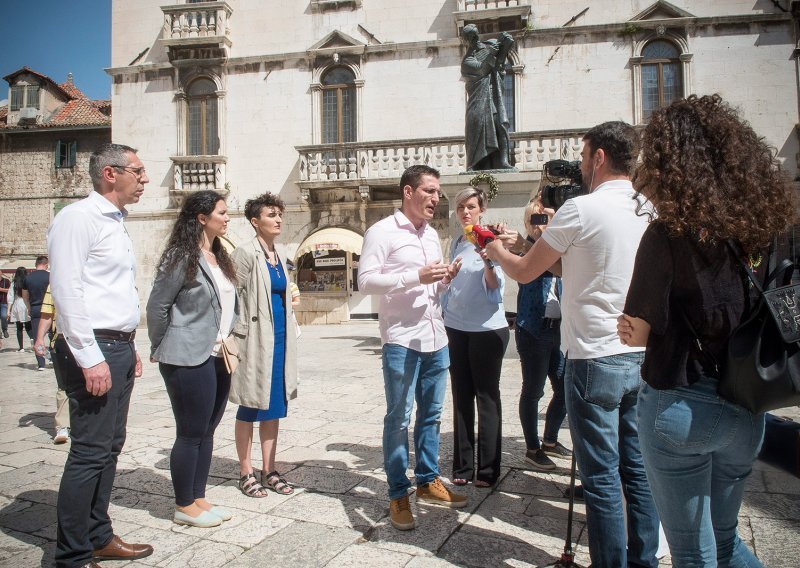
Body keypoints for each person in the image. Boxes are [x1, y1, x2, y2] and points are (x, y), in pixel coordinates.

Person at [618, 94, 793, 567]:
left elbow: (635, 334)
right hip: (748, 405)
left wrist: (628, 322)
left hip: (682, 405)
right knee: (727, 540)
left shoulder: (667, 234)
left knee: (694, 552)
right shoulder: (766, 225)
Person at [485, 122, 660, 567]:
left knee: (601, 479)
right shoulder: (648, 209)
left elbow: (526, 272)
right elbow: (571, 266)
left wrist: (496, 252)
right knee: (637, 472)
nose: (581, 167)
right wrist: (523, 244)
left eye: (583, 158)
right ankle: (644, 561)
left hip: (595, 357)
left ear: (599, 157)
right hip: (641, 356)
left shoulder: (582, 208)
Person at [47, 143, 153, 568]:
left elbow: (110, 291)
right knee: (89, 451)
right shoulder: (77, 219)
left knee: (110, 446)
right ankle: (72, 555)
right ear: (111, 173)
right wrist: (91, 356)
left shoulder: (115, 222)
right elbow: (68, 291)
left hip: (117, 345)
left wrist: (129, 345)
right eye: (139, 171)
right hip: (92, 347)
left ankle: (98, 535)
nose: (145, 179)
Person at [358, 164, 466, 532]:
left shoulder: (432, 236)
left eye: (438, 192)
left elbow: (431, 289)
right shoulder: (381, 231)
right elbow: (366, 281)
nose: (437, 198)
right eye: (430, 191)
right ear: (408, 191)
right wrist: (414, 277)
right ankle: (398, 493)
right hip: (402, 340)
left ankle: (428, 480)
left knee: (432, 415)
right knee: (399, 418)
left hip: (436, 338)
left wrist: (443, 280)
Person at [147, 190, 237, 528]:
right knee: (190, 431)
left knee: (208, 430)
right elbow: (157, 307)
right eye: (222, 212)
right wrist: (162, 346)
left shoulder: (218, 255)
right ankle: (184, 504)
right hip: (186, 355)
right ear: (202, 218)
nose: (228, 217)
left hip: (219, 353)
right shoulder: (180, 256)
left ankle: (199, 498)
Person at [229, 193, 298, 499]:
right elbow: (231, 297)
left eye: (279, 214)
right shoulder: (244, 253)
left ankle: (269, 470)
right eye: (271, 215)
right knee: (250, 405)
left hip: (280, 338)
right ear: (255, 222)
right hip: (254, 341)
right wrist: (234, 337)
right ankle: (245, 471)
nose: (278, 219)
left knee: (273, 408)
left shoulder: (279, 255)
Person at [441, 187, 508, 487]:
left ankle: (489, 470)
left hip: (487, 330)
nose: (465, 212)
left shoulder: (490, 238)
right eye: (460, 207)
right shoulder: (457, 241)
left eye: (470, 206)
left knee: (487, 398)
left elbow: (494, 287)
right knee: (461, 398)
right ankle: (463, 467)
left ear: (482, 208)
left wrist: (487, 260)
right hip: (456, 326)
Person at [514, 198, 570, 471]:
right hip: (533, 329)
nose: (539, 225)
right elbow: (527, 271)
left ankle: (549, 439)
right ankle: (532, 448)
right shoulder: (524, 250)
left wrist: (555, 230)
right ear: (527, 223)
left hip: (556, 329)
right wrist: (539, 240)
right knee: (533, 391)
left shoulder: (558, 246)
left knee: (565, 389)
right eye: (534, 220)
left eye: (543, 219)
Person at [461, 24, 514, 171]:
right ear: (466, 41)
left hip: (493, 93)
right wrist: (492, 54)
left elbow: (499, 66)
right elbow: (481, 70)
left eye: (476, 34)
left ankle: (503, 161)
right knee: (476, 129)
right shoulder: (467, 62)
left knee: (500, 125)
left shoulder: (488, 46)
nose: (475, 38)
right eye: (471, 36)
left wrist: (506, 45)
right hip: (477, 100)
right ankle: (475, 164)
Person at [33, 286, 70, 444]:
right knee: (63, 385)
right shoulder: (55, 282)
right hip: (62, 341)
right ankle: (63, 425)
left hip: (96, 341)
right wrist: (40, 338)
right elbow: (47, 314)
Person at [23, 255, 50, 370]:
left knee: (37, 336)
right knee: (53, 334)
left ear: (36, 265)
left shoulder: (28, 278)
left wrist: (28, 307)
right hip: (49, 308)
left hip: (35, 307)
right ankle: (53, 358)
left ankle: (41, 363)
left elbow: (25, 296)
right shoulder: (50, 276)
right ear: (46, 265)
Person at [7, 266, 32, 352]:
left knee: (19, 327)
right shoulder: (28, 282)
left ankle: (21, 347)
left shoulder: (14, 283)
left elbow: (10, 296)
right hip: (26, 303)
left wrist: (8, 310)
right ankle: (33, 340)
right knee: (29, 326)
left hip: (17, 304)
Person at [0, 272, 10, 339]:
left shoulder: (6, 281)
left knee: (3, 316)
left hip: (3, 302)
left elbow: (10, 290)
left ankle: (4, 329)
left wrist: (1, 289)